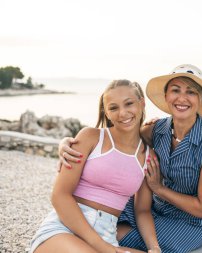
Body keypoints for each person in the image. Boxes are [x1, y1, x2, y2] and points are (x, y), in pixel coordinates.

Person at [57, 64, 202, 253]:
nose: (182, 98)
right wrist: (66, 143)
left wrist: (159, 189)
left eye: (191, 92)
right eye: (175, 90)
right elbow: (122, 132)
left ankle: (93, 242)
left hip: (189, 220)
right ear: (166, 97)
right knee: (104, 213)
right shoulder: (155, 130)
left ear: (201, 99)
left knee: (134, 238)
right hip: (153, 207)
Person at [30, 80, 160, 253]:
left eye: (129, 103)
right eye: (113, 108)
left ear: (142, 103)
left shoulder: (148, 156)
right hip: (64, 229)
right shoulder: (90, 137)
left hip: (107, 235)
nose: (122, 113)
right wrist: (102, 247)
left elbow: (142, 211)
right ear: (106, 112)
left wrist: (154, 248)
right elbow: (59, 195)